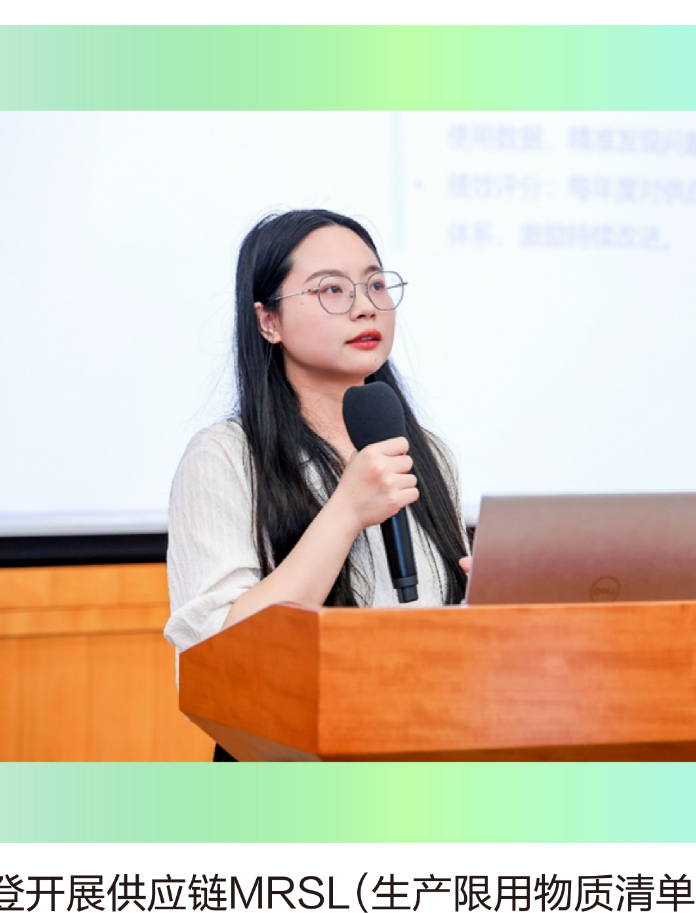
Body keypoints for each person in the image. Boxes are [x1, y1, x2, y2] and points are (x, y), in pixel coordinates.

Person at [163, 209, 472, 760]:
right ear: (268, 322)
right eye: (331, 289)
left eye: (375, 284)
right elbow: (220, 653)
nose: (365, 306)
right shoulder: (224, 457)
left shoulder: (428, 453)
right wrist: (346, 511)